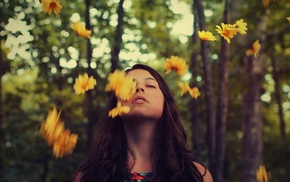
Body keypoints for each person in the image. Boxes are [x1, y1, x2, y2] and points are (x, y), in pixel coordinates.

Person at [74, 64, 213, 182]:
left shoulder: (198, 176)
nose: (139, 88)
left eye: (150, 85)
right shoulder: (87, 177)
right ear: (116, 103)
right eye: (129, 85)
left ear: (166, 102)